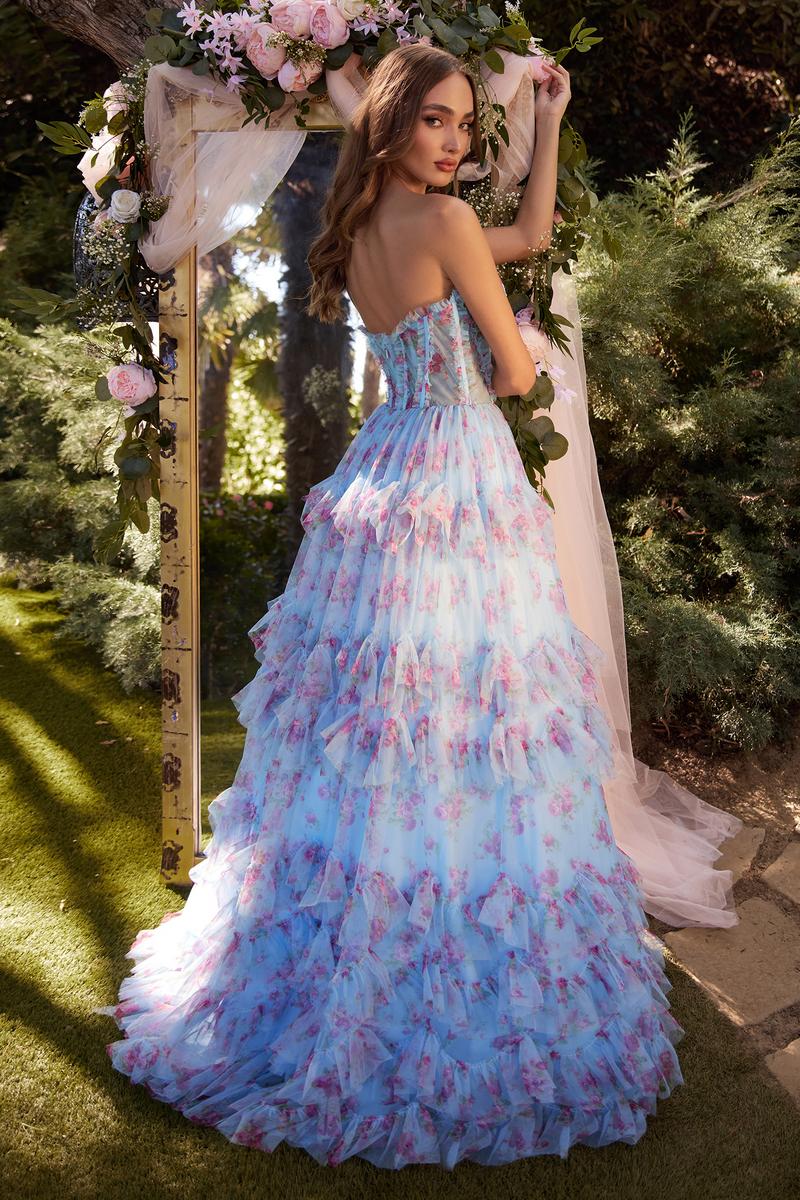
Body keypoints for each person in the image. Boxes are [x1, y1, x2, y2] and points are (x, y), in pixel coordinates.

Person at [97, 42, 688, 1168]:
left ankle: (361, 908)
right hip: (454, 463)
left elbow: (523, 238)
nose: (455, 140)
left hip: (388, 461)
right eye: (434, 120)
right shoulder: (443, 219)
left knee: (381, 709)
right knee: (467, 704)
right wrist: (510, 345)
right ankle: (444, 920)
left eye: (464, 121)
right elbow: (514, 373)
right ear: (393, 123)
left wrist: (551, 124)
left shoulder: (367, 218)